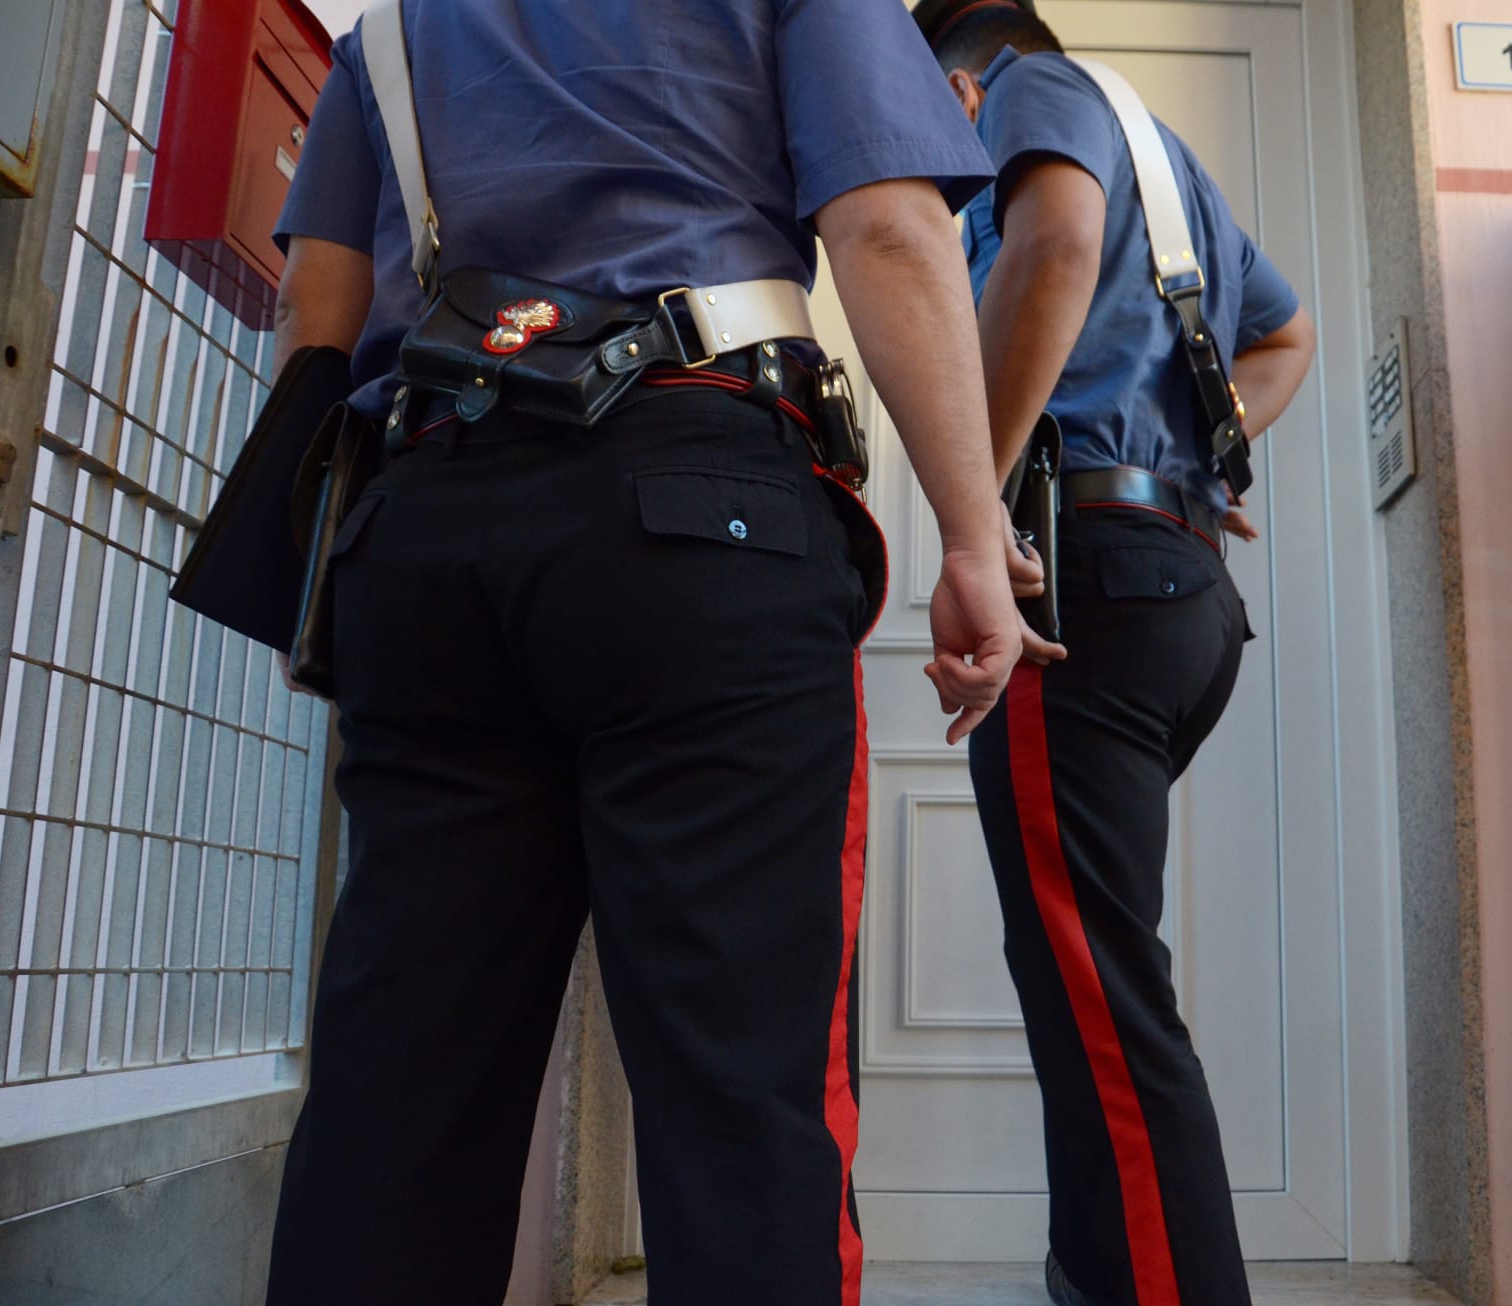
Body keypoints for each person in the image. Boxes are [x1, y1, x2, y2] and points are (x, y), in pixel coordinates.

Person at [262, 2, 1036, 1303]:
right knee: (740, 1094)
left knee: (399, 1091)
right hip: (700, 511)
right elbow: (890, 228)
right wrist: (972, 531)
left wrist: (319, 576)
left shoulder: (390, 30)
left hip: (433, 524)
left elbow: (315, 309)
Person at [914, 4, 1319, 1304]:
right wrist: (1209, 449)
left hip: (1083, 582)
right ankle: (1095, 1273)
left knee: (1102, 997)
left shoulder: (1029, 92)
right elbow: (1282, 333)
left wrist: (970, 508)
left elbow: (1057, 244)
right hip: (1182, 590)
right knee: (1086, 988)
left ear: (962, 89)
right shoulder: (1167, 163)